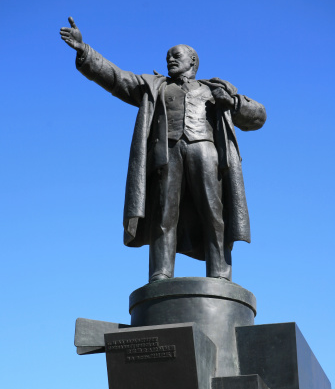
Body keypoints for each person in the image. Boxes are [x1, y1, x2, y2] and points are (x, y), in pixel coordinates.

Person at [60, 17, 266, 283]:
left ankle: (220, 274)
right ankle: (161, 272)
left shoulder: (214, 90)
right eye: (167, 56)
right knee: (164, 213)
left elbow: (258, 116)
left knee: (214, 213)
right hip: (165, 153)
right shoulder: (154, 87)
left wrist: (234, 103)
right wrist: (84, 50)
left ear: (193, 60)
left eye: (176, 55)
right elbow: (115, 77)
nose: (170, 59)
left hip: (205, 151)